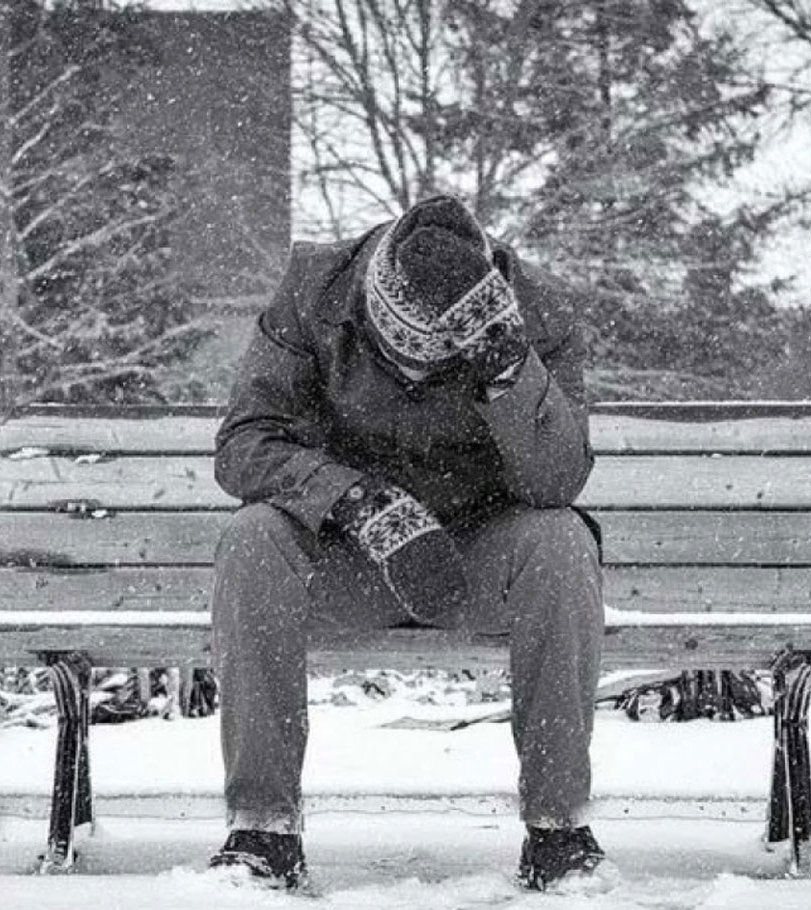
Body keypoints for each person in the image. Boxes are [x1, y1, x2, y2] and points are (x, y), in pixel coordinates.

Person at [208, 194, 606, 891]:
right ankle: (263, 830)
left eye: (437, 360)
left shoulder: (537, 313)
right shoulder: (314, 289)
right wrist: (360, 503)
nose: (416, 375)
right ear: (373, 308)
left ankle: (559, 831)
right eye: (398, 356)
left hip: (478, 559)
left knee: (563, 543)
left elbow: (557, 481)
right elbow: (245, 443)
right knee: (252, 537)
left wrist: (508, 371)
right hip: (348, 558)